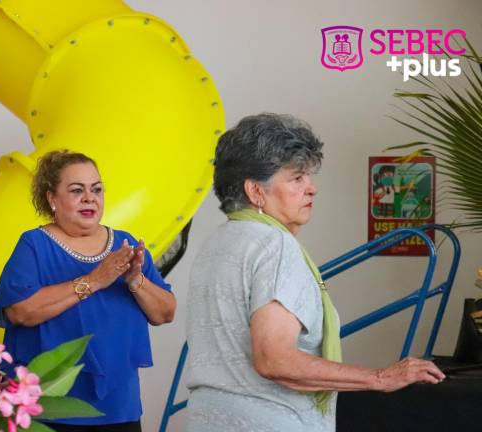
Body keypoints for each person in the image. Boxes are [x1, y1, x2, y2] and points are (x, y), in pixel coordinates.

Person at [185, 113, 445, 432]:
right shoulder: (275, 245)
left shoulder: (217, 243)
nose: (312, 189)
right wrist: (380, 378)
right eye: (297, 178)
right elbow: (274, 359)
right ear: (256, 192)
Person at [0, 150, 176, 432]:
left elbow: (166, 312)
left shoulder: (125, 244)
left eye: (96, 189)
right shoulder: (34, 244)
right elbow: (21, 311)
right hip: (49, 406)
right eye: (77, 190)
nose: (90, 198)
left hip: (117, 407)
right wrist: (95, 280)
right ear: (52, 199)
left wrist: (136, 281)